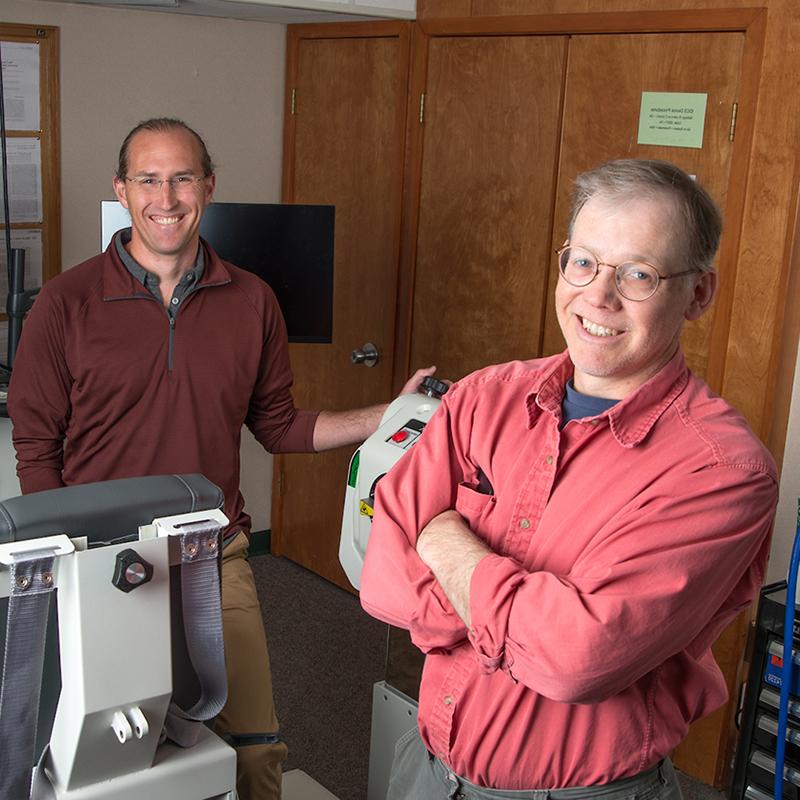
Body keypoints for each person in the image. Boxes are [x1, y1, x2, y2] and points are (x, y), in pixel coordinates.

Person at [6, 117, 434, 800]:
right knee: (108, 757)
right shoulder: (65, 303)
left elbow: (280, 425)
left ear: (208, 185)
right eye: (148, 179)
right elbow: (37, 450)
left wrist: (389, 417)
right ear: (122, 189)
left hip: (212, 553)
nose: (166, 197)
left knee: (255, 749)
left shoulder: (252, 300)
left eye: (181, 177)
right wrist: (64, 569)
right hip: (101, 562)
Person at [360, 159, 779, 799]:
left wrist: (443, 539)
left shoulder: (722, 471)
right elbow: (383, 582)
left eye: (638, 274)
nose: (598, 296)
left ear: (698, 294)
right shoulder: (484, 398)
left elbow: (573, 660)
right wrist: (524, 621)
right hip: (426, 768)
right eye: (582, 262)